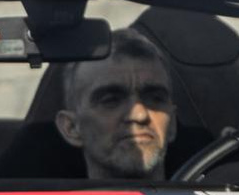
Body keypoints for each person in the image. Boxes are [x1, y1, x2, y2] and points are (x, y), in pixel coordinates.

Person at [55, 31, 178, 185]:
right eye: (111, 100)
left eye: (155, 99)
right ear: (71, 128)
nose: (139, 115)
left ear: (172, 123)